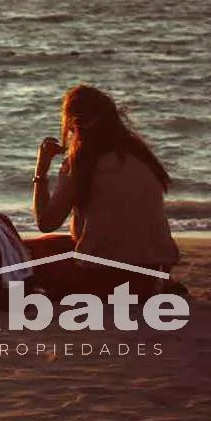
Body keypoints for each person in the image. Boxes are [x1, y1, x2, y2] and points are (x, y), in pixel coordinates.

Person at [25, 84, 180, 297]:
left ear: (74, 123)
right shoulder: (142, 157)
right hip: (148, 277)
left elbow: (46, 222)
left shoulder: (83, 163)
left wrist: (41, 169)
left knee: (22, 252)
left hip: (101, 279)